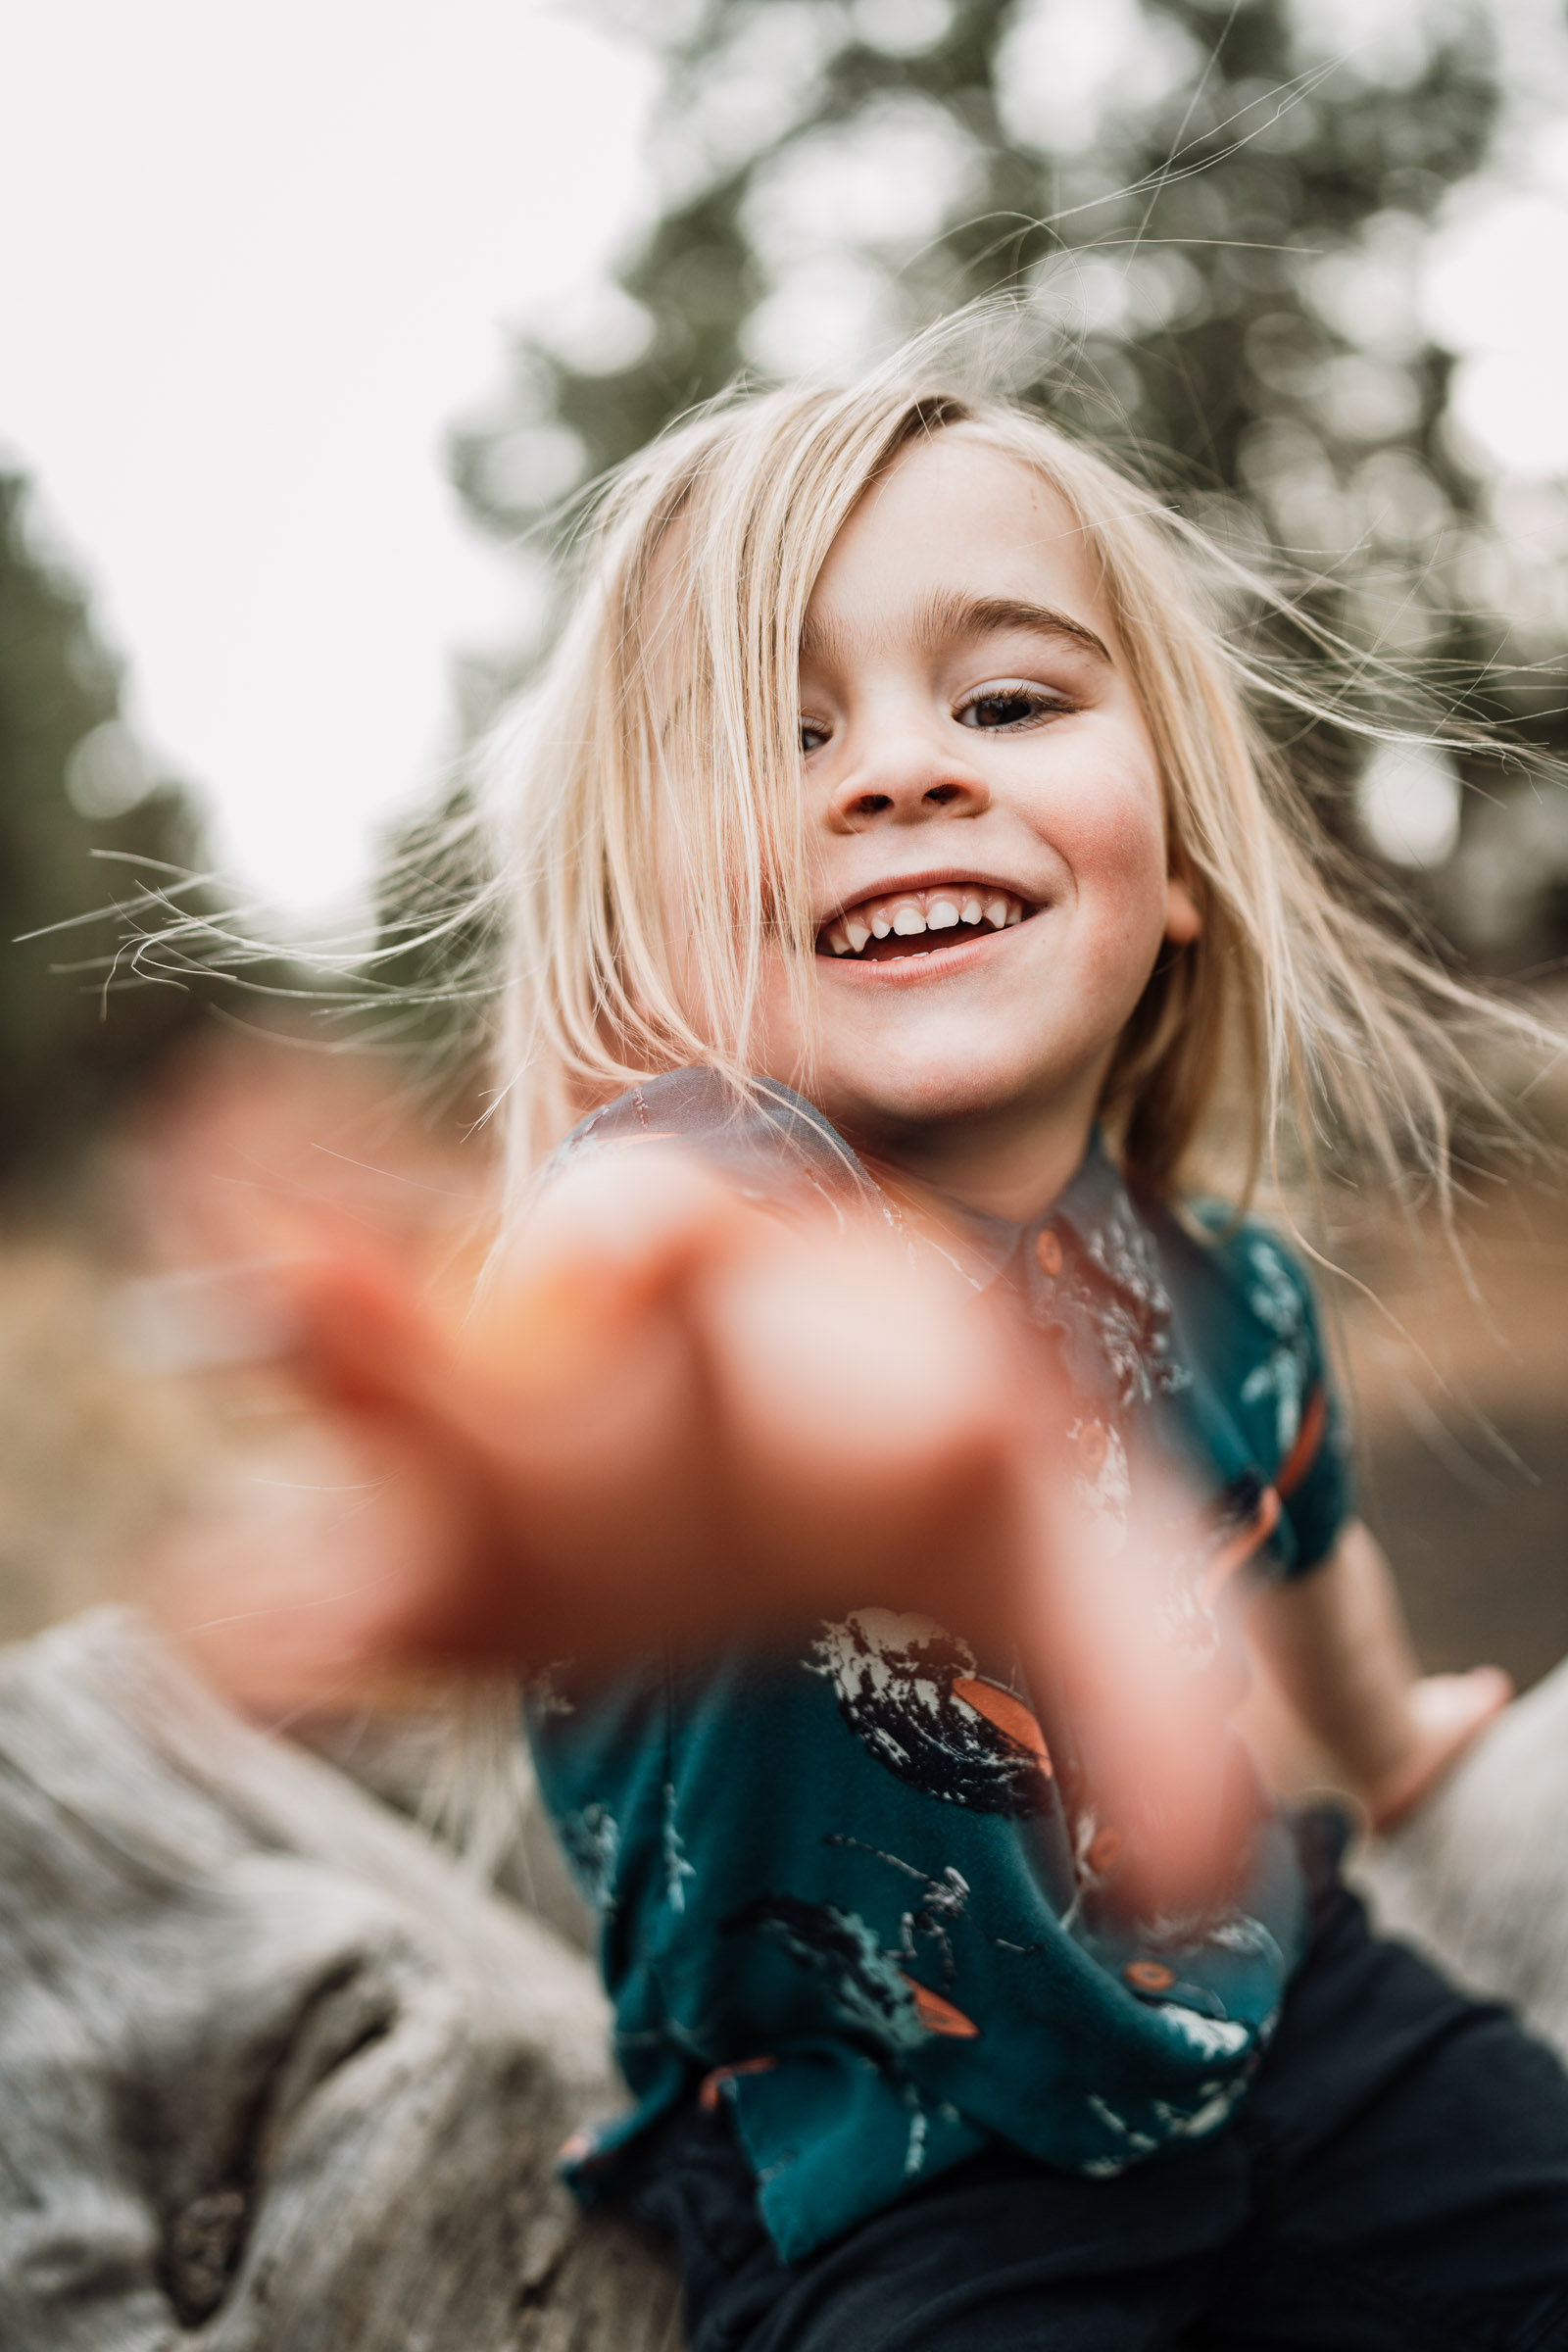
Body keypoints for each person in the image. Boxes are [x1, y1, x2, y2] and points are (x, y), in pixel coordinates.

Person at [160, 337, 1568, 2348]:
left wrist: (1390, 1736)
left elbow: (1301, 1542)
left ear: (1172, 862)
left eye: (1005, 698)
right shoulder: (680, 1198)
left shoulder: (1217, 1285)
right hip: (886, 2169)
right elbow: (644, 1324)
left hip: (1284, 2016)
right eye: (773, 740)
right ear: (642, 914)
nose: (900, 770)